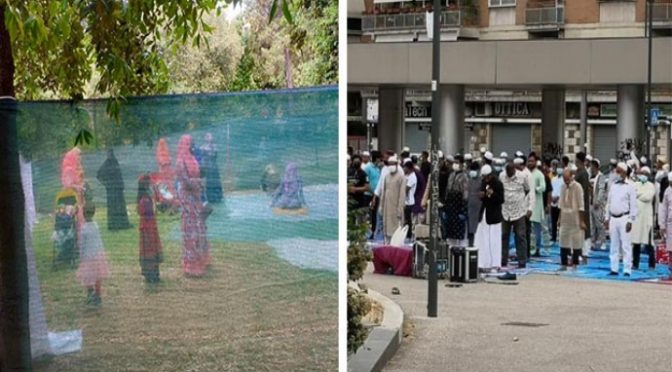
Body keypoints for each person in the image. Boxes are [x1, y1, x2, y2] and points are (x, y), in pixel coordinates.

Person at [176, 135, 211, 277]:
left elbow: (197, 173)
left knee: (199, 227)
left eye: (192, 142)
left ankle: (200, 258)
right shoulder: (180, 161)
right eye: (190, 143)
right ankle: (191, 264)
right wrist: (198, 183)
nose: (192, 145)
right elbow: (184, 180)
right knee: (191, 230)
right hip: (187, 198)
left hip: (196, 197)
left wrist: (200, 181)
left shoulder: (192, 158)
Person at [606, 162, 638, 276]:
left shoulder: (630, 186)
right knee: (613, 245)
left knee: (626, 245)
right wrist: (607, 217)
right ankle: (614, 268)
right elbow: (608, 203)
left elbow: (633, 205)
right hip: (613, 219)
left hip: (624, 218)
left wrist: (630, 220)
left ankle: (627, 269)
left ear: (624, 172)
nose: (617, 173)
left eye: (619, 171)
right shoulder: (613, 185)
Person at [76, 206, 110, 307]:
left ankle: (91, 293)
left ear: (84, 215)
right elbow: (99, 240)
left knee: (88, 276)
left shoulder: (84, 229)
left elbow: (82, 244)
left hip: (88, 256)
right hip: (97, 254)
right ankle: (97, 295)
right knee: (97, 276)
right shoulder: (96, 225)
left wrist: (81, 256)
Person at [500, 162, 532, 268]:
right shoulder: (502, 176)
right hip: (505, 211)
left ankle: (522, 260)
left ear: (514, 170)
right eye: (507, 173)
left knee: (520, 236)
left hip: (519, 211)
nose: (509, 175)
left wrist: (523, 203)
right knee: (504, 235)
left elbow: (527, 190)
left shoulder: (522, 176)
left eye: (511, 173)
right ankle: (502, 259)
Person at [475, 165, 504, 271]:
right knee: (483, 239)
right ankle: (484, 262)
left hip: (494, 215)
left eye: (487, 177)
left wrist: (491, 194)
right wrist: (482, 195)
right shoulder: (483, 183)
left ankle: (495, 263)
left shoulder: (498, 184)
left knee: (495, 240)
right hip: (484, 214)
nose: (485, 179)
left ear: (491, 175)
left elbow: (501, 199)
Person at [96, 149, 131, 231]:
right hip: (111, 190)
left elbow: (119, 174)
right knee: (113, 208)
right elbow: (99, 175)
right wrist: (106, 184)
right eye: (108, 153)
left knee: (120, 207)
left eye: (111, 153)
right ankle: (114, 225)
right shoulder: (106, 164)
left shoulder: (115, 162)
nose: (110, 155)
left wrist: (121, 185)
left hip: (118, 189)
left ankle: (123, 224)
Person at [558, 168, 586, 270]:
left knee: (576, 240)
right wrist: (559, 219)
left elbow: (581, 205)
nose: (566, 181)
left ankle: (575, 263)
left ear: (571, 176)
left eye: (567, 179)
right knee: (563, 239)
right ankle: (563, 263)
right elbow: (560, 204)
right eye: (564, 179)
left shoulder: (578, 187)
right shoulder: (562, 187)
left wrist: (582, 221)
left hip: (575, 217)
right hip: (565, 217)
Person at [137, 174, 163, 283]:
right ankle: (151, 274)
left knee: (150, 250)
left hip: (149, 226)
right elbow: (148, 211)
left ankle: (153, 273)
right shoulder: (145, 199)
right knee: (150, 250)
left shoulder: (146, 197)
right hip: (148, 228)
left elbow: (157, 200)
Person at [632, 167, 656, 270]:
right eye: (642, 173)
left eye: (645, 173)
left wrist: (638, 195)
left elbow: (648, 197)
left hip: (646, 219)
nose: (643, 175)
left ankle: (651, 264)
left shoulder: (651, 186)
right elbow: (632, 196)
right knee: (636, 242)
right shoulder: (635, 185)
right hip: (637, 218)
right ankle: (635, 264)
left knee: (649, 243)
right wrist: (638, 195)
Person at [443, 155, 468, 247]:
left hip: (459, 206)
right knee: (450, 232)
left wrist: (463, 211)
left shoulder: (464, 177)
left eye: (457, 162)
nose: (455, 164)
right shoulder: (451, 175)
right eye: (455, 162)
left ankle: (460, 251)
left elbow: (465, 195)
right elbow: (447, 192)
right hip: (450, 206)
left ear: (461, 164)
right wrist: (445, 208)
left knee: (459, 233)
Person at [380, 156, 406, 243]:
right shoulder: (386, 176)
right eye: (389, 164)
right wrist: (381, 206)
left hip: (396, 209)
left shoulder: (401, 177)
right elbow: (383, 192)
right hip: (386, 209)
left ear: (396, 164)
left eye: (392, 164)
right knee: (386, 233)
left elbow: (402, 195)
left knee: (396, 234)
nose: (391, 166)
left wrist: (399, 210)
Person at [574, 152, 592, 263]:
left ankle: (585, 254)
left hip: (582, 205)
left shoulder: (583, 173)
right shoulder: (579, 172)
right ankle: (579, 252)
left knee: (584, 228)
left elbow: (582, 191)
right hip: (578, 204)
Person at [528, 153, 546, 256]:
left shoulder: (539, 174)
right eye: (529, 161)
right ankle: (529, 249)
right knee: (529, 230)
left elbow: (543, 187)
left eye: (532, 161)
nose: (530, 163)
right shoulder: (526, 173)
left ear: (536, 162)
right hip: (527, 205)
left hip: (537, 205)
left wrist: (535, 189)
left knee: (536, 230)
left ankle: (537, 249)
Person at [199, 133, 223, 204]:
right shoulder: (202, 147)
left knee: (216, 182)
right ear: (205, 138)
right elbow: (202, 158)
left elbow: (215, 155)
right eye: (209, 136)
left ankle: (218, 197)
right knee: (209, 183)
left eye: (211, 136)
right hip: (208, 168)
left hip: (214, 168)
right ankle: (211, 198)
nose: (211, 138)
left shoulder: (214, 147)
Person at [589, 159, 608, 251]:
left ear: (595, 166)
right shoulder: (591, 176)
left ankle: (603, 241)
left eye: (591, 166)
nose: (590, 168)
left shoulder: (601, 176)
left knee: (600, 224)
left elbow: (601, 190)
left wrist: (598, 201)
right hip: (591, 203)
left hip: (597, 204)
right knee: (592, 224)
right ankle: (592, 242)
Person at [657, 172, 672, 280]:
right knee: (670, 249)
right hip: (670, 223)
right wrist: (662, 226)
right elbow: (664, 209)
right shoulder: (667, 191)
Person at [364, 151, 382, 238]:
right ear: (377, 158)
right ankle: (364, 231)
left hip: (376, 195)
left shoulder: (378, 169)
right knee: (366, 213)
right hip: (367, 194)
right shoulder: (367, 168)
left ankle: (373, 232)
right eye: (379, 158)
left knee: (374, 213)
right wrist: (372, 192)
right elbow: (365, 181)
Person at [466, 162, 482, 246]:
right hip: (469, 207)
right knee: (469, 229)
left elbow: (488, 192)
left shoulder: (482, 181)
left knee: (477, 228)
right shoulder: (467, 180)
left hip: (478, 208)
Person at [402, 161, 417, 239]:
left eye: (405, 167)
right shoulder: (407, 175)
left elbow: (406, 189)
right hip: (405, 201)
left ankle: (409, 235)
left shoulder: (413, 177)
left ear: (409, 168)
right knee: (405, 219)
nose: (404, 169)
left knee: (408, 220)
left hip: (409, 201)